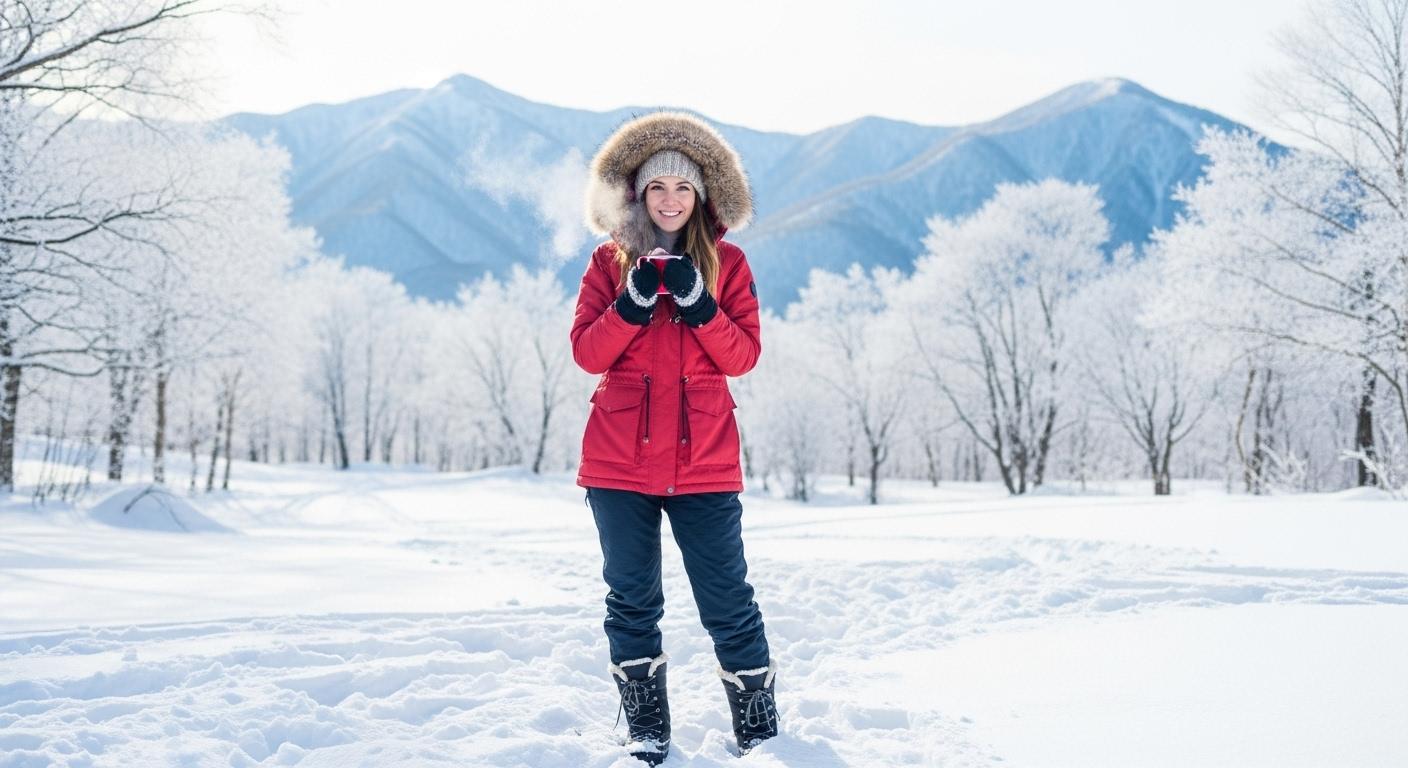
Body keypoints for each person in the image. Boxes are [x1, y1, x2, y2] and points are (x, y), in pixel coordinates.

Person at [570, 110, 778, 764]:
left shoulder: (729, 265)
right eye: (657, 187)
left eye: (682, 188)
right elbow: (586, 352)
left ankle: (761, 732)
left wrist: (701, 304)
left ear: (701, 197)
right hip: (618, 467)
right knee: (632, 601)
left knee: (728, 602)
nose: (669, 199)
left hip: (704, 466)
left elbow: (743, 356)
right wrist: (629, 304)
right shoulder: (609, 264)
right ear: (637, 193)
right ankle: (647, 733)